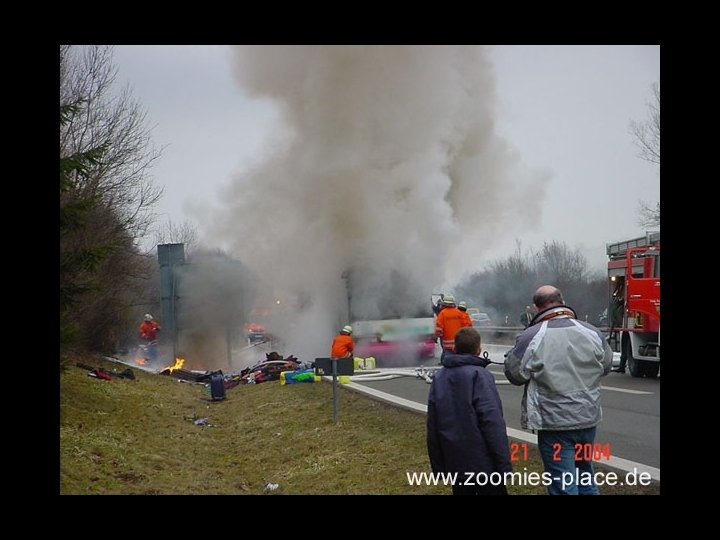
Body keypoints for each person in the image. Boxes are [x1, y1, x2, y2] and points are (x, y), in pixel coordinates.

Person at [504, 286, 613, 495]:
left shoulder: (531, 336)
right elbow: (606, 366)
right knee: (586, 479)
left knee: (564, 485)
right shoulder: (592, 332)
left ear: (536, 307)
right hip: (587, 419)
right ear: (562, 300)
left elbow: (515, 375)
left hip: (554, 422)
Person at [427, 327, 512, 495]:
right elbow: (492, 422)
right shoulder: (480, 375)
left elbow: (433, 425)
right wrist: (504, 464)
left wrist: (438, 467)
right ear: (478, 349)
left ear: (455, 348)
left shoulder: (439, 377)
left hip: (454, 460)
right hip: (484, 463)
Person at [434, 295, 471, 360]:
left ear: (444, 304)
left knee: (448, 359)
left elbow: (439, 328)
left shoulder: (442, 313)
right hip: (458, 342)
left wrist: (438, 336)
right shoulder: (459, 313)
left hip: (446, 344)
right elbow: (465, 327)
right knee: (457, 359)